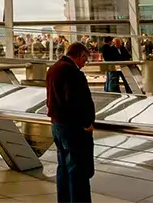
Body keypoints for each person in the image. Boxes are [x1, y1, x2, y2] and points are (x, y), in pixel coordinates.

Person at [46, 42, 95, 203]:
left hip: (57, 125)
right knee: (77, 171)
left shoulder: (53, 69)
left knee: (63, 168)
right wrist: (87, 123)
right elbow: (77, 102)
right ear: (80, 55)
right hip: (73, 128)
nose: (84, 64)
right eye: (85, 59)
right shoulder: (73, 73)